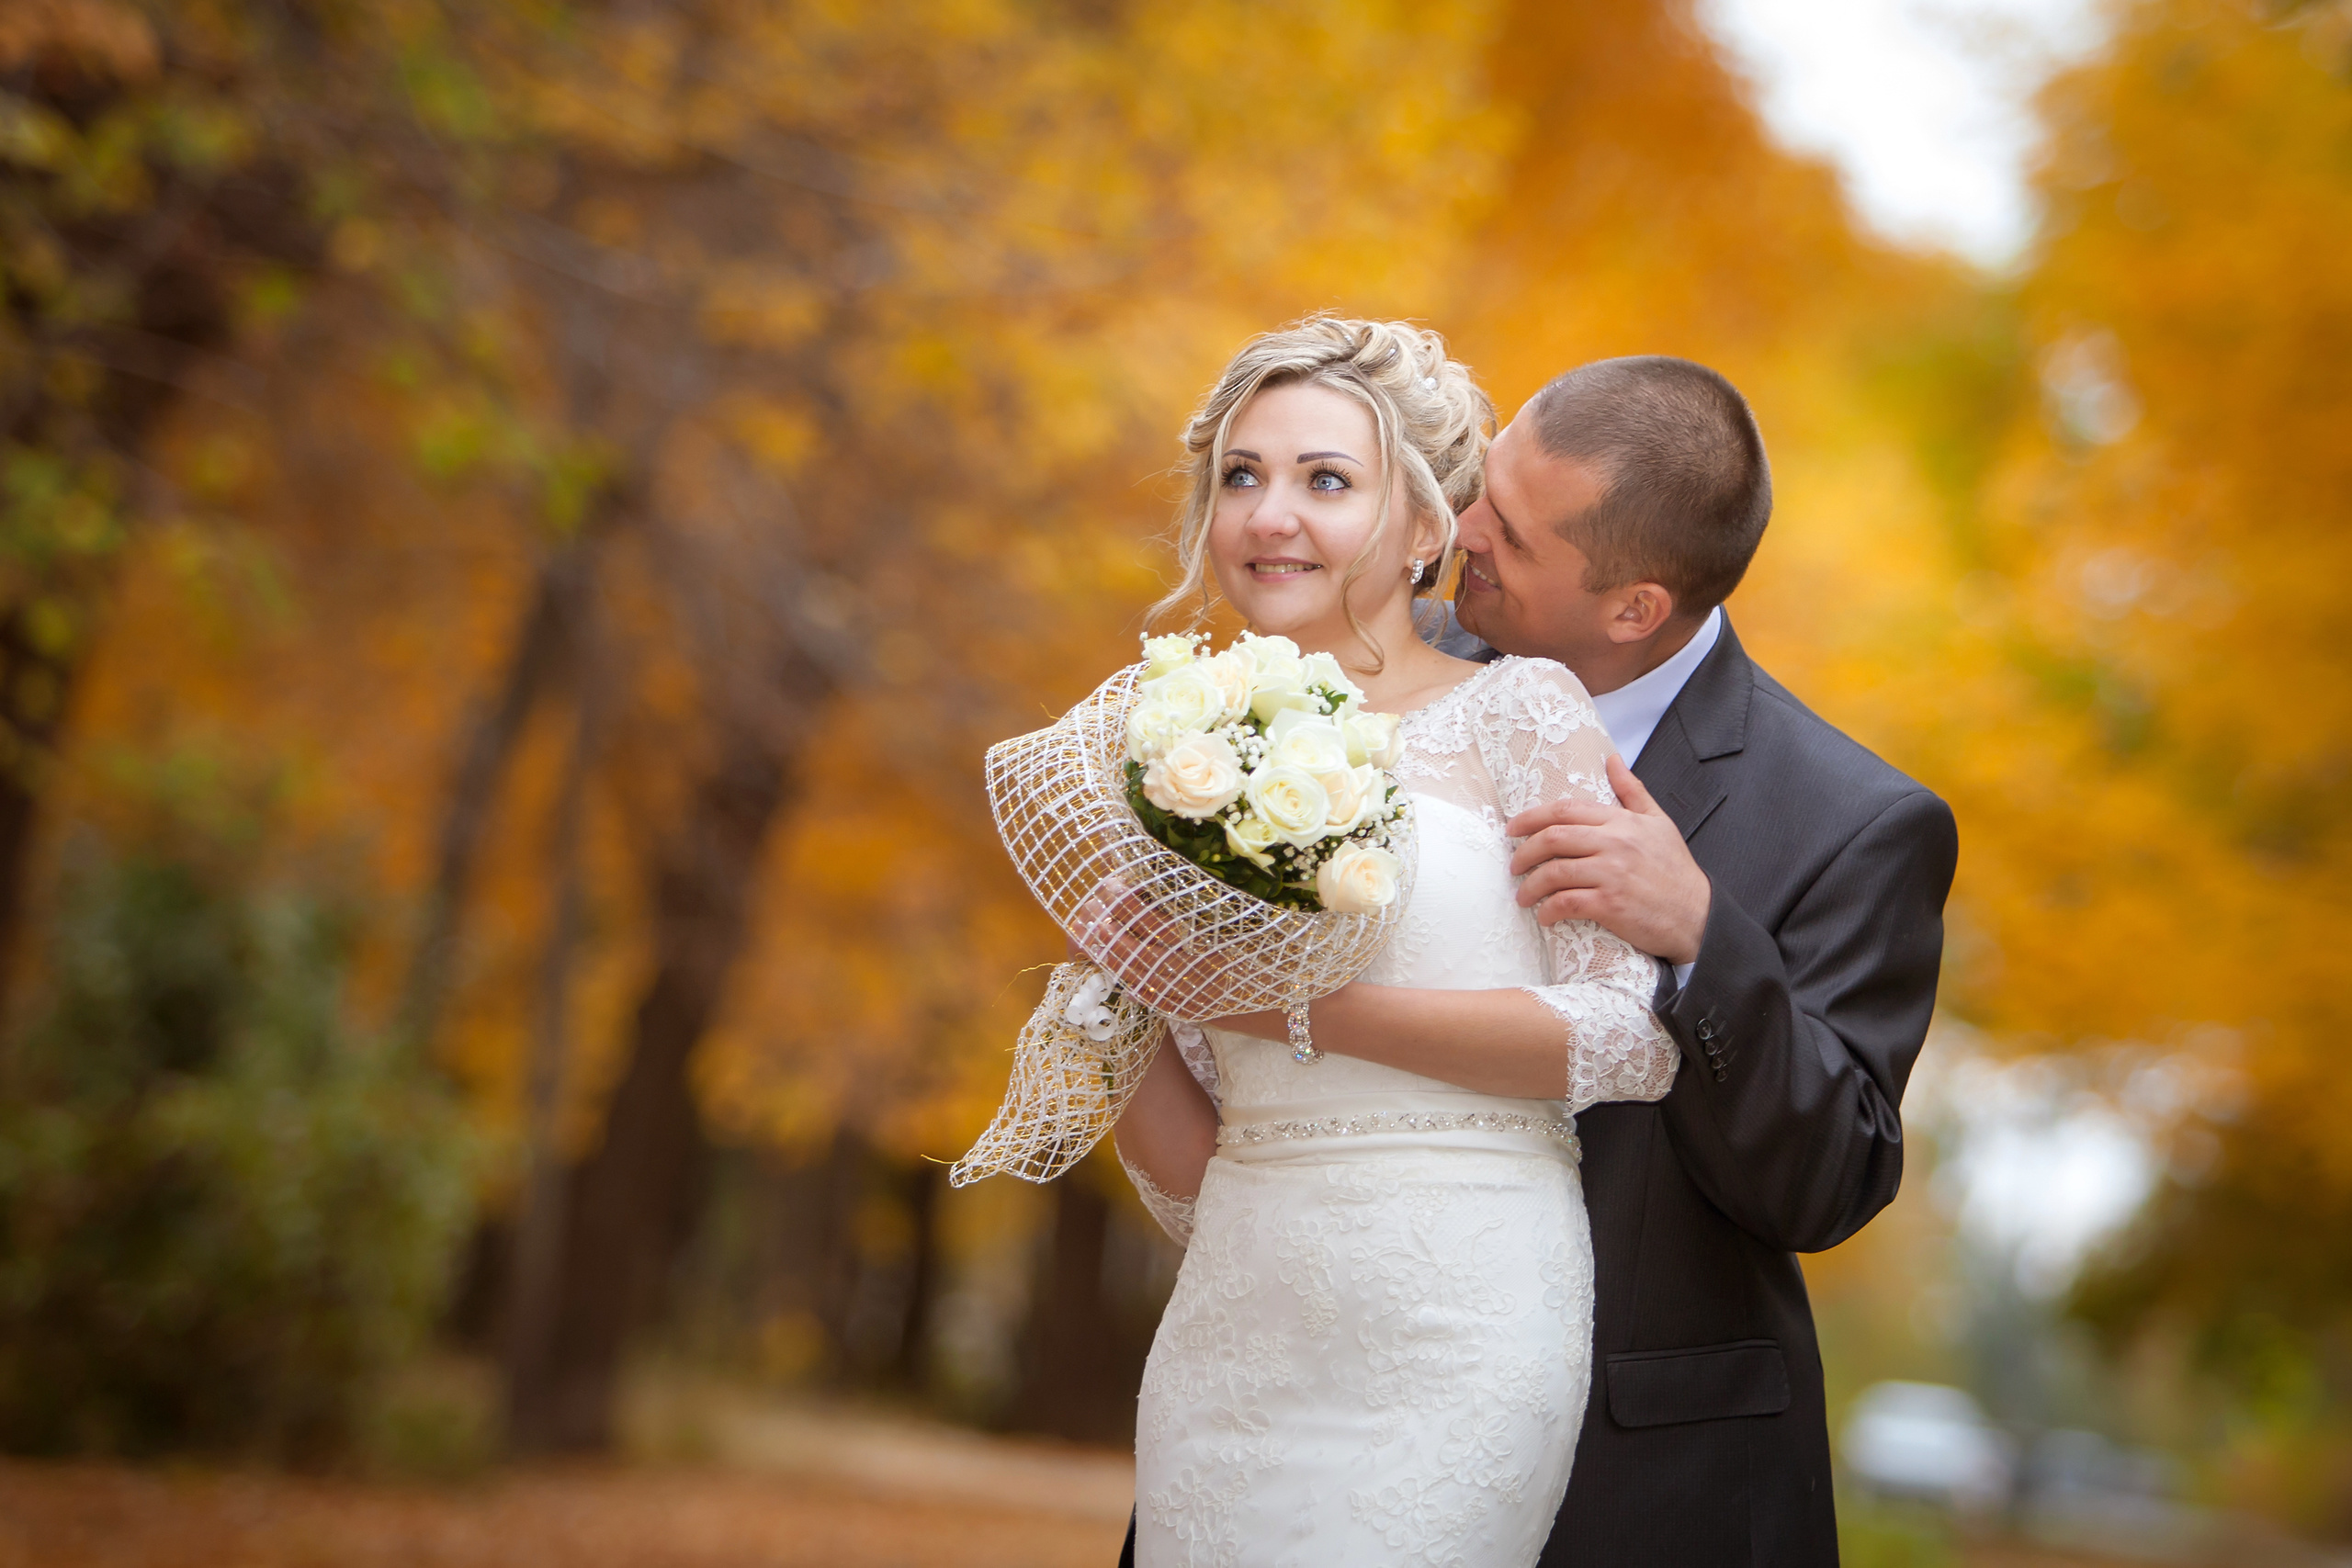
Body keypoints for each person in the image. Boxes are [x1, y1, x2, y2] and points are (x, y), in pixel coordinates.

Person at [1106, 316, 1684, 1567]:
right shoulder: (1168, 751)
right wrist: (1114, 1006)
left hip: (1459, 1326)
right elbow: (1188, 1179)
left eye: (1326, 481)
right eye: (1242, 476)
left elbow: (1627, 1037)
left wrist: (1302, 1009)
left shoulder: (1517, 714)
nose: (1271, 515)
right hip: (1237, 1332)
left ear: (1427, 525)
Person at [1443, 355, 1960, 1565]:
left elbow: (1831, 1181)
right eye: (1483, 484)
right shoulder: (1383, 679)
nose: (1460, 528)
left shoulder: (1857, 824)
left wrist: (1700, 934)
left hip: (1633, 1482)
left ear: (1634, 607)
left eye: (1508, 532)